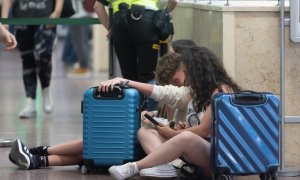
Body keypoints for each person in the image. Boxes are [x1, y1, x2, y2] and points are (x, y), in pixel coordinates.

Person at [6, 52, 189, 172]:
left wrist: (162, 126)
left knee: (95, 146)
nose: (174, 86)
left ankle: (38, 152)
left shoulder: (186, 97)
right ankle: (37, 159)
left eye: (176, 81)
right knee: (91, 153)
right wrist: (152, 117)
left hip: (157, 150)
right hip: (154, 145)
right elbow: (166, 114)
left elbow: (177, 127)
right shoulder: (176, 97)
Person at [97, 46, 241, 180]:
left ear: (198, 70)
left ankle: (135, 167)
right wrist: (181, 129)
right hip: (200, 154)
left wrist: (172, 133)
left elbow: (203, 130)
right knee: (145, 132)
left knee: (185, 137)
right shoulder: (200, 92)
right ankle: (177, 167)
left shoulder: (221, 90)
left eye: (186, 71)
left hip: (218, 160)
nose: (186, 77)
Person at [94, 0, 178, 111]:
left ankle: (130, 114)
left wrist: (110, 28)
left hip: (120, 22)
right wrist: (165, 12)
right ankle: (148, 115)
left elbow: (97, 6)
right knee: (148, 76)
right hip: (147, 22)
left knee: (128, 77)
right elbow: (174, 1)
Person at [1, 0, 64, 118]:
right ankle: (30, 101)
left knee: (43, 55)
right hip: (21, 15)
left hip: (45, 14)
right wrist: (4, 19)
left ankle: (46, 90)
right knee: (27, 58)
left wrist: (57, 11)